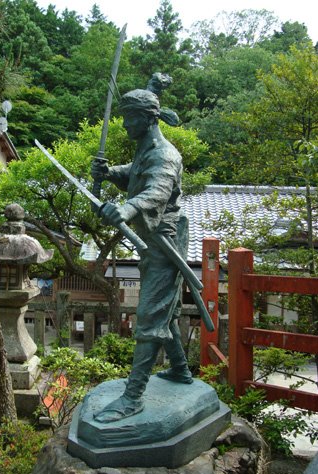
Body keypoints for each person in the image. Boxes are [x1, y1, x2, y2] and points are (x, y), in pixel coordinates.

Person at [91, 83, 193, 423]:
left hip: (166, 243)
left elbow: (155, 191)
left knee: (151, 314)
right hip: (155, 242)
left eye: (129, 118)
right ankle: (180, 370)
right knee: (167, 309)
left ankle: (132, 398)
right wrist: (109, 173)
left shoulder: (165, 154)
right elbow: (136, 175)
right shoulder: (145, 150)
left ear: (147, 119)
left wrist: (126, 208)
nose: (124, 125)